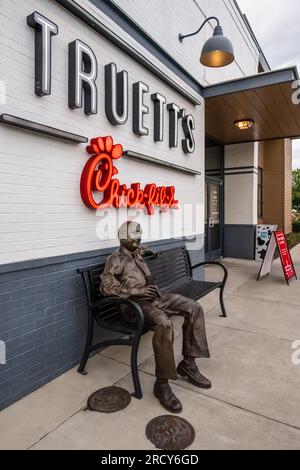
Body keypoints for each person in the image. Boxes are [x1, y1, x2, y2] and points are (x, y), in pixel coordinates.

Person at [100, 221, 211, 413]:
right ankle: (162, 384)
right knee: (164, 324)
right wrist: (136, 290)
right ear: (123, 238)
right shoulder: (115, 259)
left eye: (139, 236)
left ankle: (188, 364)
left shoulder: (136, 252)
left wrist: (147, 251)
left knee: (194, 307)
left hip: (157, 298)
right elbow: (105, 287)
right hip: (136, 306)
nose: (138, 240)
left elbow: (140, 249)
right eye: (134, 238)